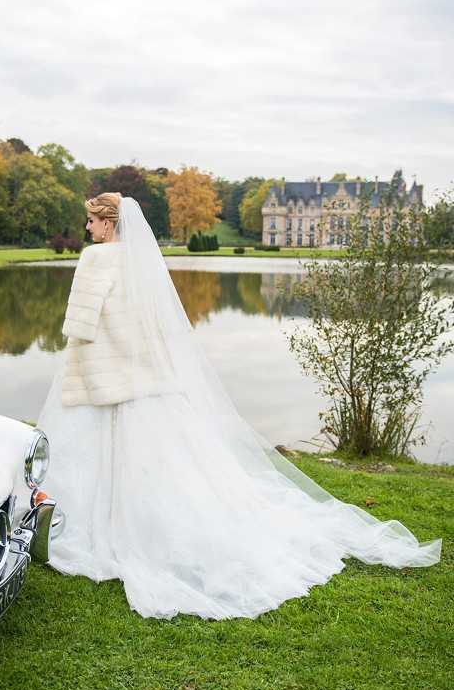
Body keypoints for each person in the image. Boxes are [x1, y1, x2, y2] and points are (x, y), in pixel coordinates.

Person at [37, 193, 441, 620]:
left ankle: (97, 526)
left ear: (106, 222)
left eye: (90, 221)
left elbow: (80, 325)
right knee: (159, 459)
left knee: (91, 451)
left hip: (104, 372)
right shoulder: (141, 264)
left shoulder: (96, 260)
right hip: (143, 373)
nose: (87, 229)